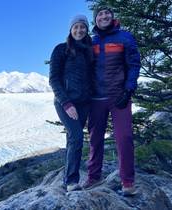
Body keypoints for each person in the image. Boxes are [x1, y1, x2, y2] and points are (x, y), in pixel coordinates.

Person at [82, 6, 141, 196]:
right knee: (95, 139)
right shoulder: (91, 42)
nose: (104, 16)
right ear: (96, 20)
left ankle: (127, 181)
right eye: (100, 14)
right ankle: (94, 177)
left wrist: (129, 88)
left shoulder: (125, 37)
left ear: (112, 17)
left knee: (124, 138)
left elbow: (133, 64)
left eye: (107, 13)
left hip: (119, 96)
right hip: (96, 98)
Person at [49, 15, 93, 192]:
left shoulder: (89, 51)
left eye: (82, 27)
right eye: (76, 27)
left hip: (84, 103)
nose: (79, 30)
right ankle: (72, 181)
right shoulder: (61, 49)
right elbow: (53, 79)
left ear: (86, 29)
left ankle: (67, 177)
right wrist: (66, 103)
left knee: (72, 139)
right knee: (77, 137)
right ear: (70, 29)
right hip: (65, 103)